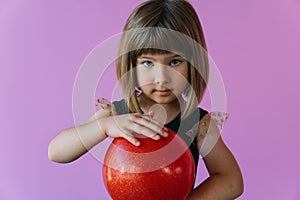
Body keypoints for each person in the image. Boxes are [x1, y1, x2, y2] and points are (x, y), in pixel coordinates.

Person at [48, 0, 244, 199]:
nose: (161, 78)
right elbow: (56, 152)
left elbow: (231, 181)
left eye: (175, 62)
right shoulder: (116, 115)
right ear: (131, 65)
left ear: (193, 64)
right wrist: (104, 126)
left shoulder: (199, 125)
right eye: (148, 63)